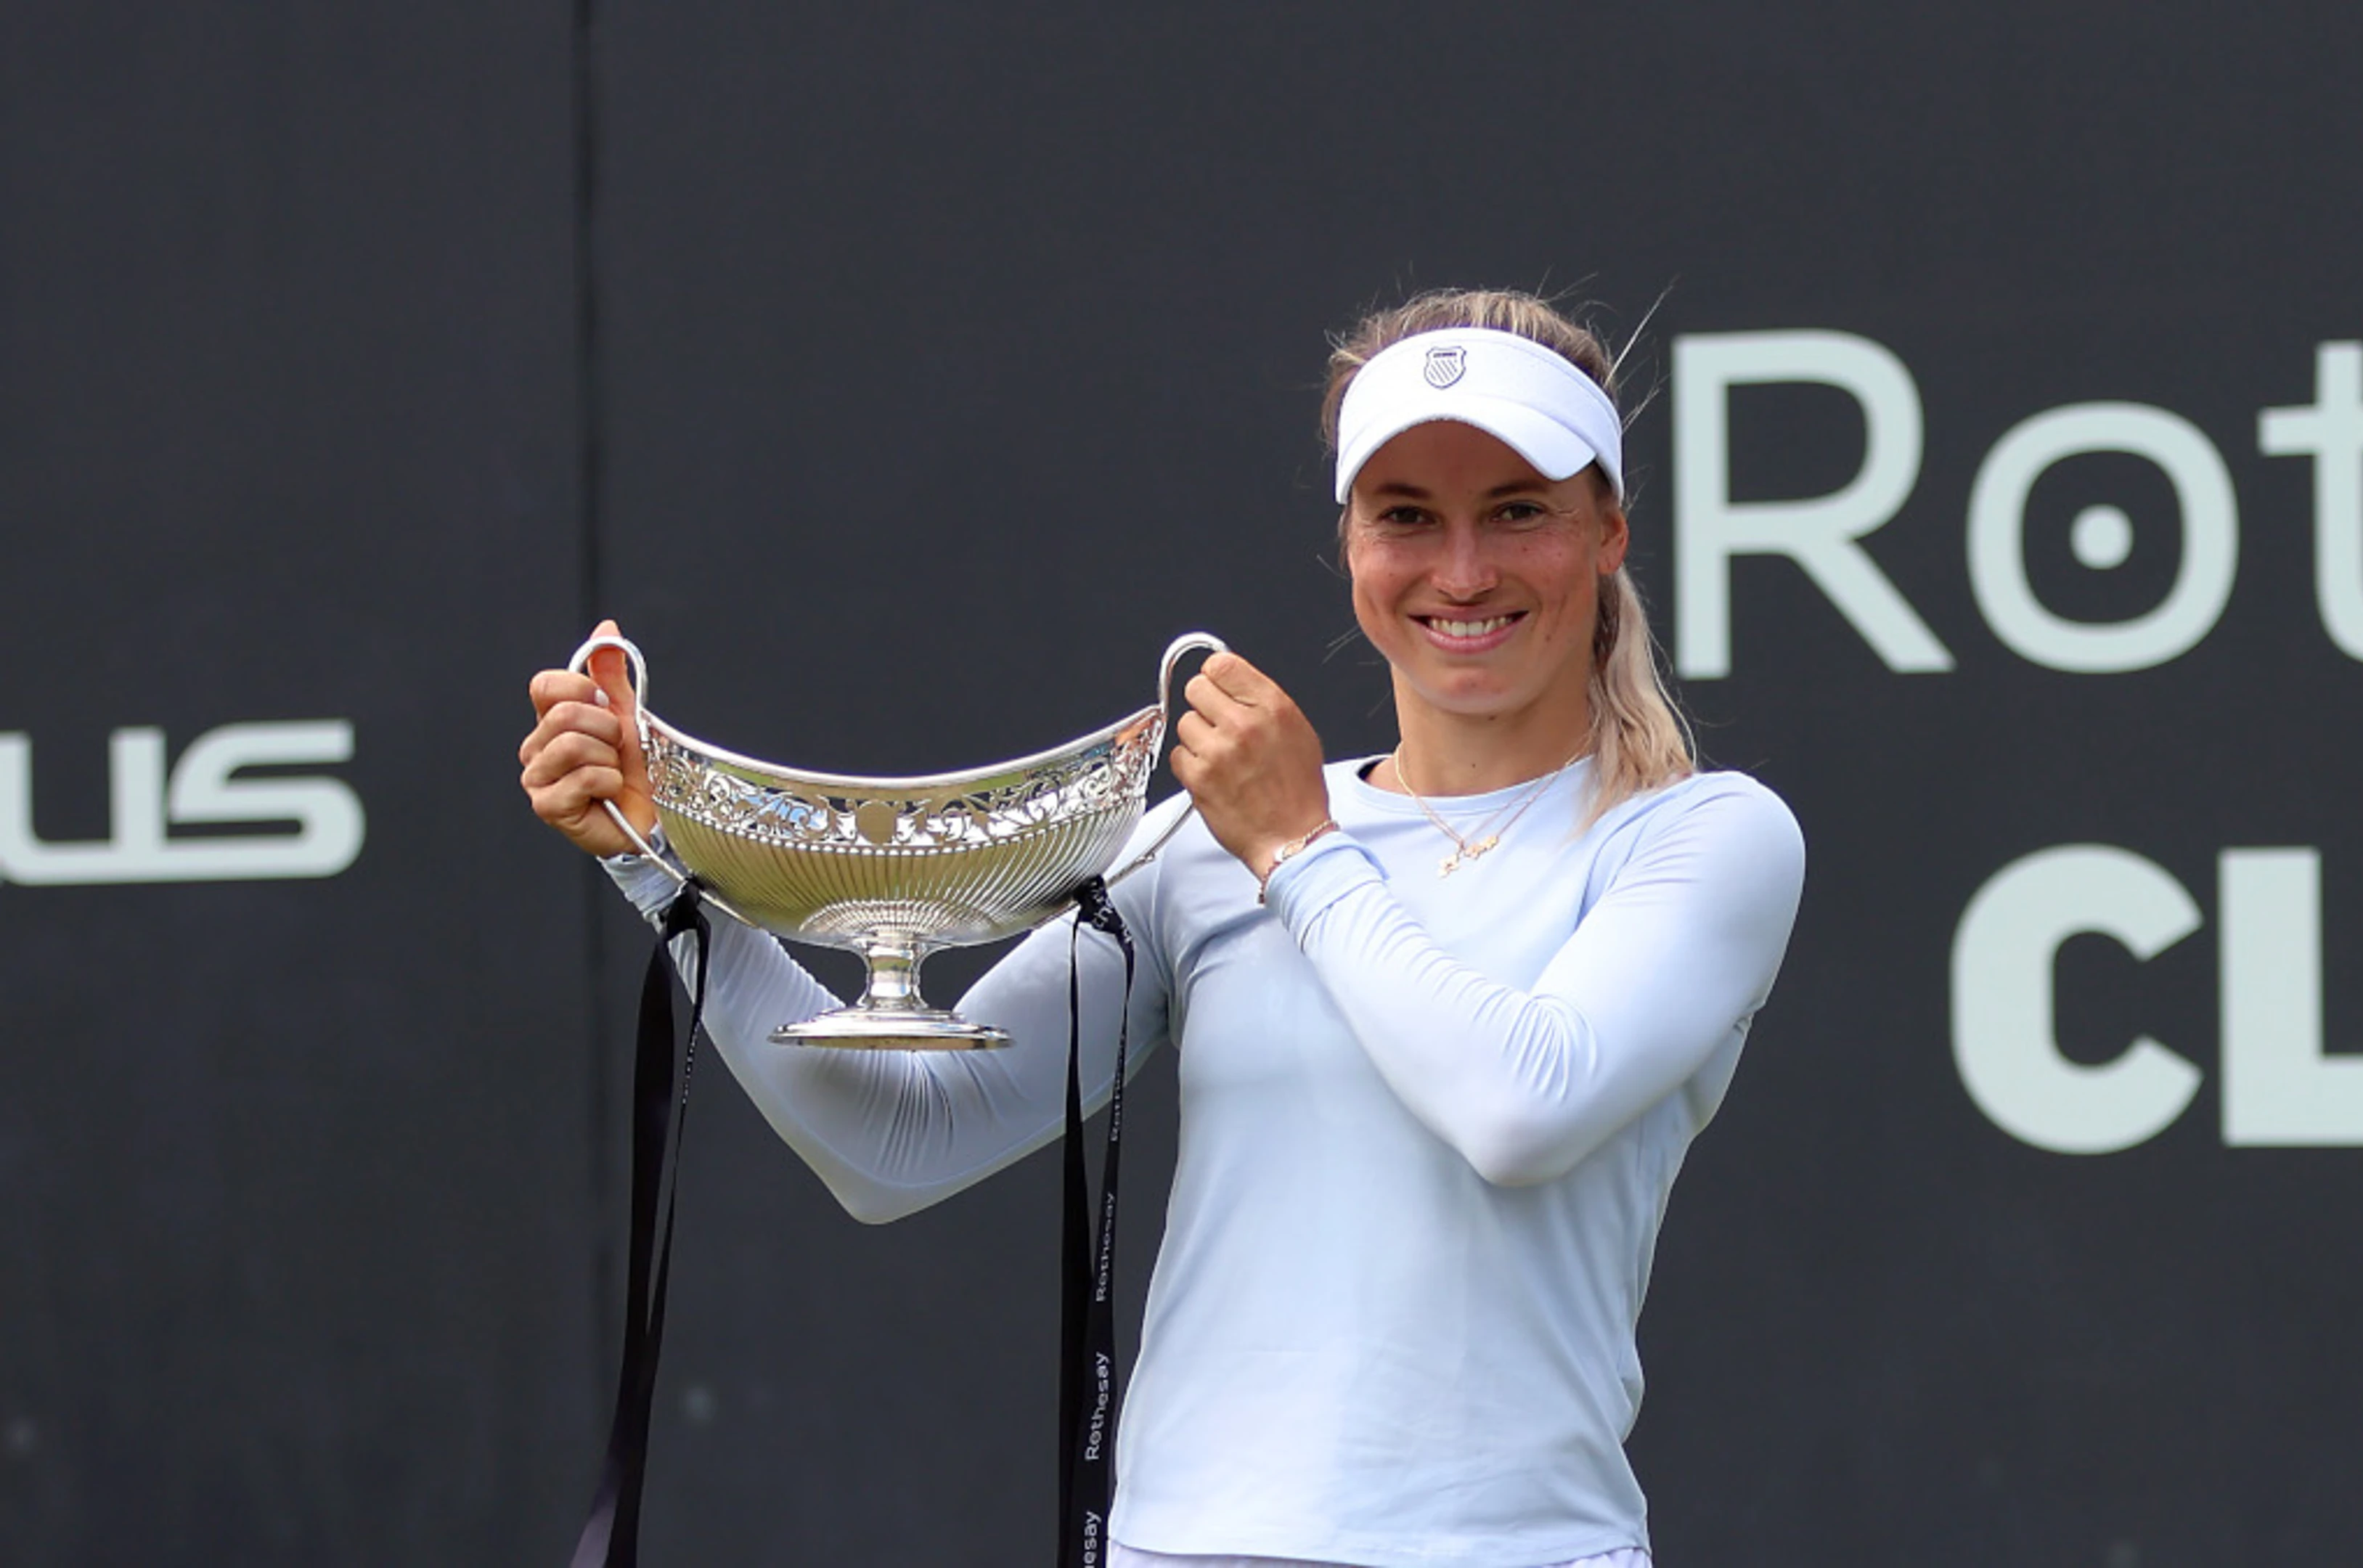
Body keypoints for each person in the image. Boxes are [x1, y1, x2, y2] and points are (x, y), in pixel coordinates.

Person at [518, 288, 1806, 1568]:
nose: (1461, 572)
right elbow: (896, 1142)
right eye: (1408, 517)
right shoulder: (1211, 844)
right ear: (1352, 544)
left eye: (1517, 512)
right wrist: (661, 865)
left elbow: (1522, 1110)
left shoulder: (1701, 838)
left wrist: (1301, 853)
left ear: (1610, 533)